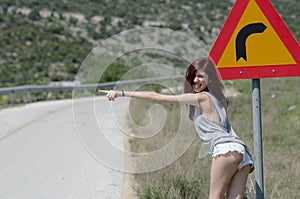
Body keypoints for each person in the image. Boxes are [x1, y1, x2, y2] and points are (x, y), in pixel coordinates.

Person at [98, 57, 254, 199]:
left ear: (210, 78)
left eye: (200, 76)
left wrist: (121, 93)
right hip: (241, 151)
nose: (195, 80)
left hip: (224, 149)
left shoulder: (201, 98)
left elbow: (156, 97)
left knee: (214, 197)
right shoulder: (220, 99)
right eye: (193, 76)